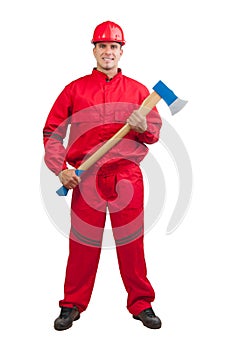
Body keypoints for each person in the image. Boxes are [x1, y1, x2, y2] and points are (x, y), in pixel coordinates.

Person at [43, 21, 162, 331]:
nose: (108, 51)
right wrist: (61, 169)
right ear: (94, 50)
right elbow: (52, 132)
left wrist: (143, 127)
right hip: (86, 178)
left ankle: (141, 303)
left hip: (126, 176)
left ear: (121, 52)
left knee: (131, 243)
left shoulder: (139, 91)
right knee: (83, 242)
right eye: (102, 46)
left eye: (113, 47)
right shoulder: (75, 89)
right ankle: (72, 304)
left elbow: (154, 134)